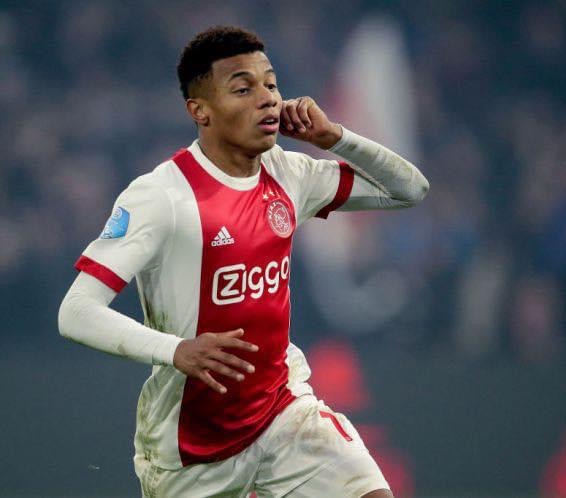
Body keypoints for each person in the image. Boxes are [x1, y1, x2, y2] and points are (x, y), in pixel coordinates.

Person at [58, 26, 428, 498]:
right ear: (200, 110)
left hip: (284, 413)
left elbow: (409, 190)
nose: (268, 98)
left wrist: (334, 137)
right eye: (243, 88)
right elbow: (76, 312)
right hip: (191, 450)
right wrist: (176, 349)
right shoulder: (161, 197)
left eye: (271, 84)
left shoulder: (289, 173)